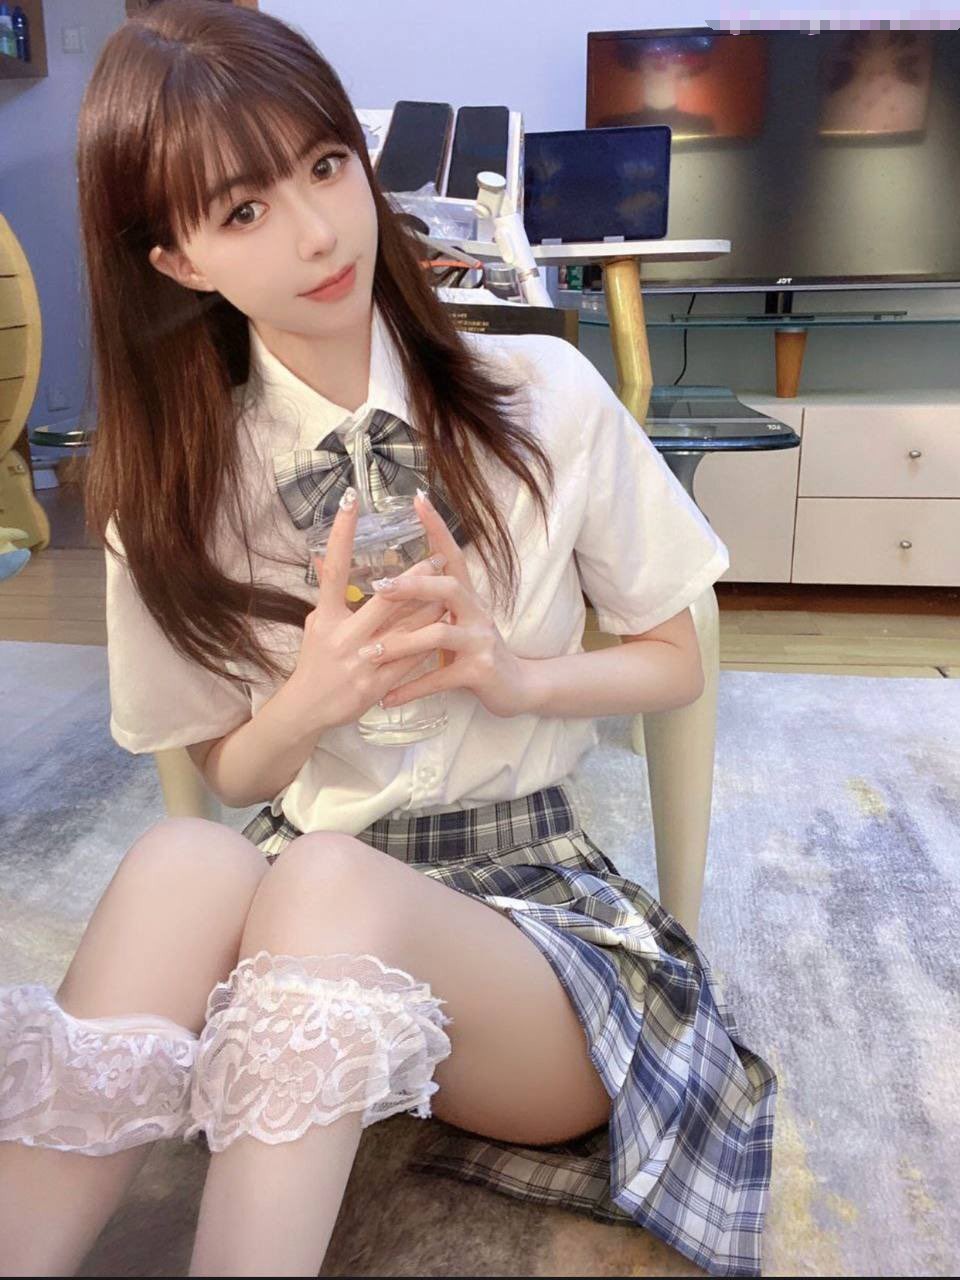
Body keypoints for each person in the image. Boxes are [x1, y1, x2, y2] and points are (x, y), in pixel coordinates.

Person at [0, 2, 778, 1276]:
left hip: (531, 917)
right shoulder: (175, 487)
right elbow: (227, 770)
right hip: (303, 913)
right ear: (177, 260)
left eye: (324, 165)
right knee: (184, 860)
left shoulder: (543, 396)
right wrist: (310, 697)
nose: (318, 231)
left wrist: (518, 676)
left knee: (323, 877)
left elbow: (676, 650)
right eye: (244, 210)